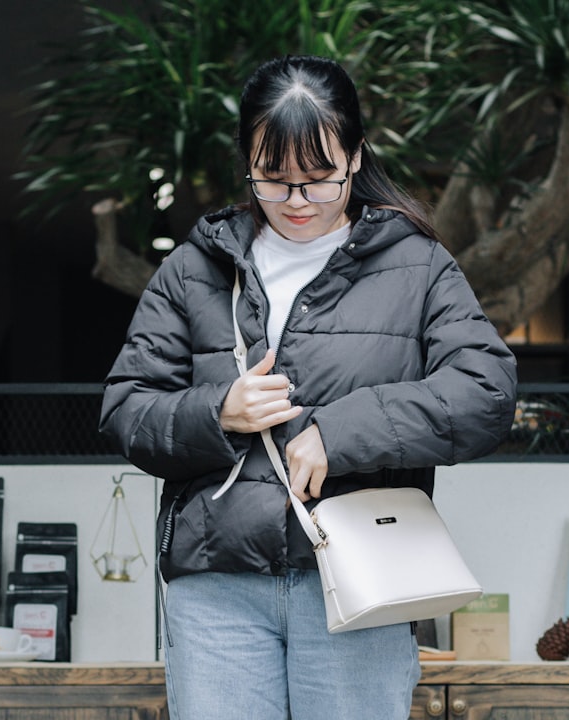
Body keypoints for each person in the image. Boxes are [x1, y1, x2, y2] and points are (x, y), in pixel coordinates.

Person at [99, 55, 517, 720]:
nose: (297, 201)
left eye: (319, 179)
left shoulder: (416, 264)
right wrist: (219, 412)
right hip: (218, 591)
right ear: (247, 162)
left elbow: (487, 394)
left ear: (355, 156)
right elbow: (125, 410)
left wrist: (343, 431)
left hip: (362, 582)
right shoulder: (194, 269)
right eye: (274, 179)